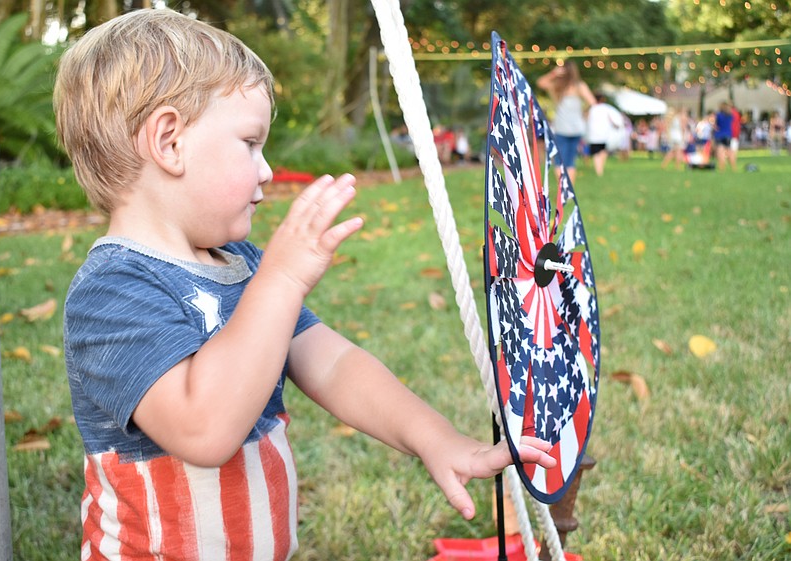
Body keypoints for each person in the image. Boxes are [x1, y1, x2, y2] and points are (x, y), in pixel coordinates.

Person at [53, 9, 556, 560]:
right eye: (250, 143)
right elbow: (204, 430)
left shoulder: (241, 265)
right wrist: (282, 278)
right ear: (170, 141)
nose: (267, 170)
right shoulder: (113, 290)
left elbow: (335, 365)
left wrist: (435, 438)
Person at [536, 61, 596, 184]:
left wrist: (553, 73)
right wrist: (584, 113)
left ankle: (563, 189)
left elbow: (540, 82)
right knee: (570, 160)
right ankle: (569, 189)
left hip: (561, 128)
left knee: (559, 160)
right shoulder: (579, 86)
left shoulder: (556, 87)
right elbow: (592, 102)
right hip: (577, 128)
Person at [584, 92, 623, 177]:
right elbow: (612, 120)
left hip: (593, 136)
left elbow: (585, 120)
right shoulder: (606, 109)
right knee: (603, 152)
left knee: (596, 154)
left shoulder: (591, 109)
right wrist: (616, 126)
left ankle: (599, 171)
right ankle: (600, 169)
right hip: (604, 136)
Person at [713, 102, 734, 171]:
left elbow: (715, 124)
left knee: (720, 152)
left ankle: (722, 168)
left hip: (719, 135)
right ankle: (733, 167)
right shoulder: (730, 115)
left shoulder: (719, 115)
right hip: (728, 135)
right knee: (729, 151)